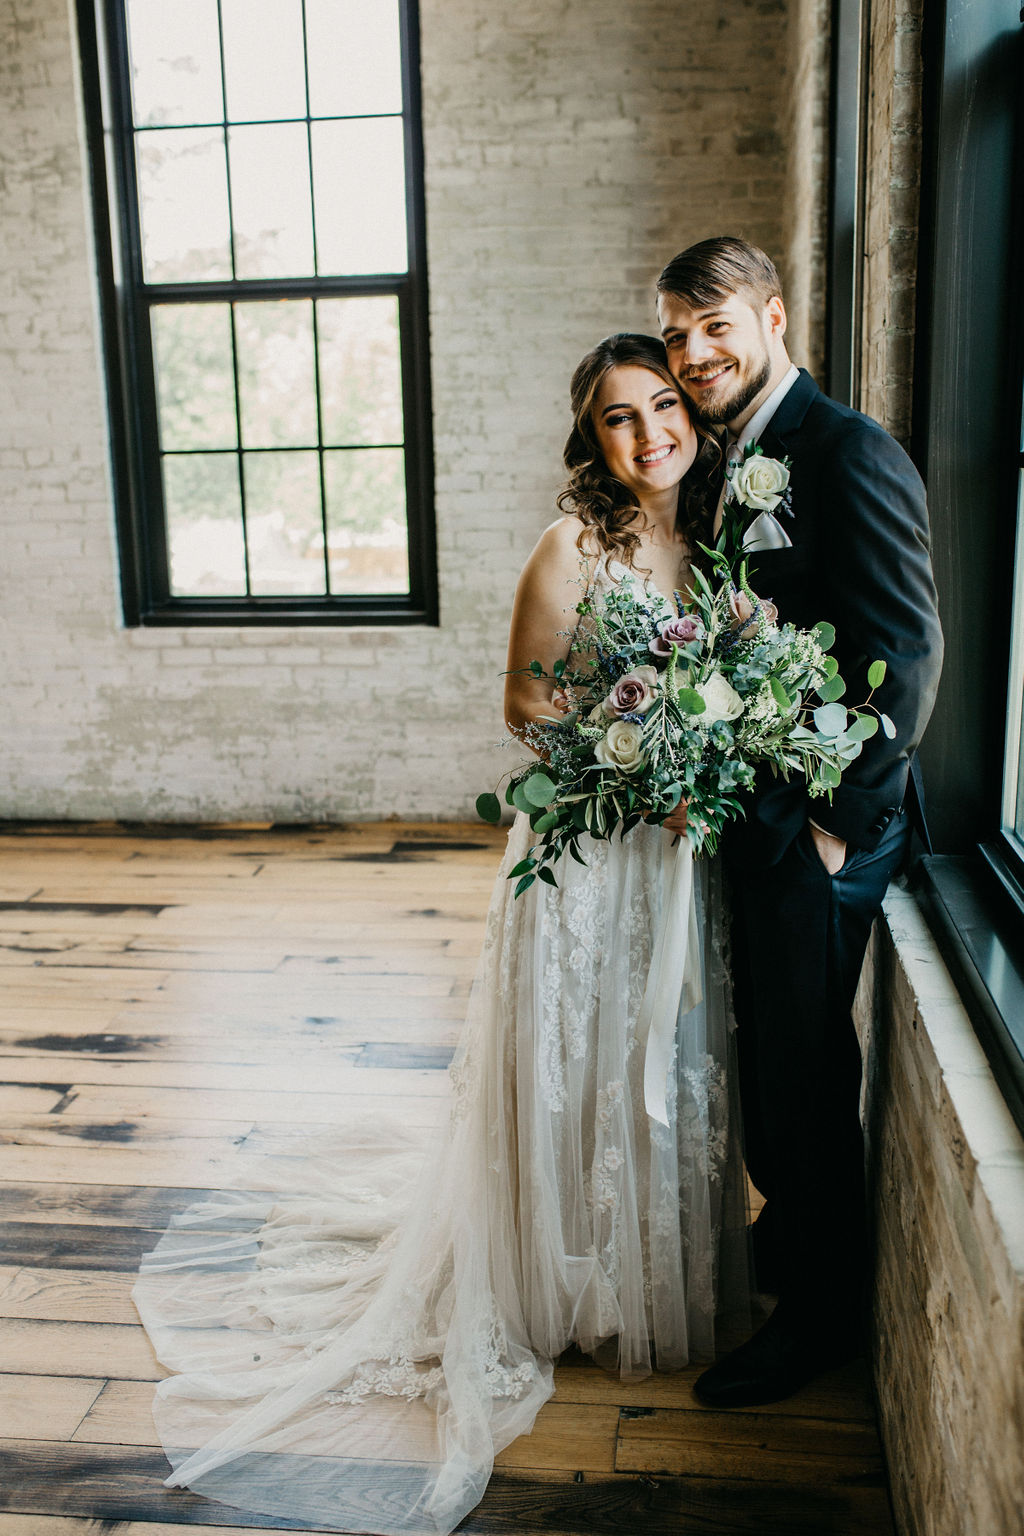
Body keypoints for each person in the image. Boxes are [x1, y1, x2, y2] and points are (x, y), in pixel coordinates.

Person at [132, 333, 751, 1536]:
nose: (647, 435)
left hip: (675, 862)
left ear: (692, 410)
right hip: (588, 852)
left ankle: (641, 1275)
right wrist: (630, 762)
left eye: (662, 407)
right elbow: (524, 701)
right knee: (573, 1063)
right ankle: (550, 1286)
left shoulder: (722, 536)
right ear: (593, 440)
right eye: (618, 419)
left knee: (652, 1066)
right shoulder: (573, 545)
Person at [655, 236, 943, 1407]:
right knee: (772, 1055)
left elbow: (905, 657)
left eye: (713, 325)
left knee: (808, 1066)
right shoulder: (731, 460)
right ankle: (790, 1239)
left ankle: (819, 1318)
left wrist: (829, 825)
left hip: (824, 827)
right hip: (755, 813)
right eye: (677, 333)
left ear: (771, 316)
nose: (693, 352)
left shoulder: (843, 449)